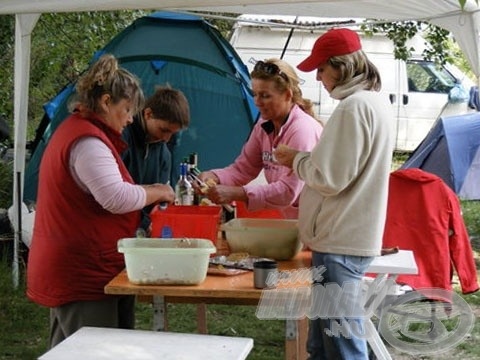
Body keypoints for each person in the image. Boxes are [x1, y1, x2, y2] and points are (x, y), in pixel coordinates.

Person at [26, 54, 175, 348]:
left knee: (74, 349)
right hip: (81, 268)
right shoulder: (88, 142)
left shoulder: (82, 132)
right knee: (94, 351)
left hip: (86, 263)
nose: (131, 118)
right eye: (127, 109)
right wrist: (159, 190)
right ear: (106, 102)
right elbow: (115, 197)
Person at [274, 28, 394, 359]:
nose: (319, 78)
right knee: (325, 343)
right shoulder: (373, 104)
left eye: (321, 70)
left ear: (340, 67)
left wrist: (295, 159)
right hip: (346, 238)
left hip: (341, 241)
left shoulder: (353, 108)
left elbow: (329, 178)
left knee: (341, 345)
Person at [198, 58, 323, 219]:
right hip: (290, 221)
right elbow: (243, 169)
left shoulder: (302, 130)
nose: (257, 102)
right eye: (255, 94)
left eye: (265, 96)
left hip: (315, 222)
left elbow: (288, 191)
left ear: (287, 95)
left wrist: (238, 193)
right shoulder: (263, 126)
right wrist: (214, 176)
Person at [122, 85, 190, 232]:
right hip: (118, 229)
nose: (166, 138)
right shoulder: (123, 138)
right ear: (148, 114)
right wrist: (145, 224)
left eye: (172, 133)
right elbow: (116, 196)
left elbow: (160, 202)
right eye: (164, 130)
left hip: (142, 230)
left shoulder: (164, 153)